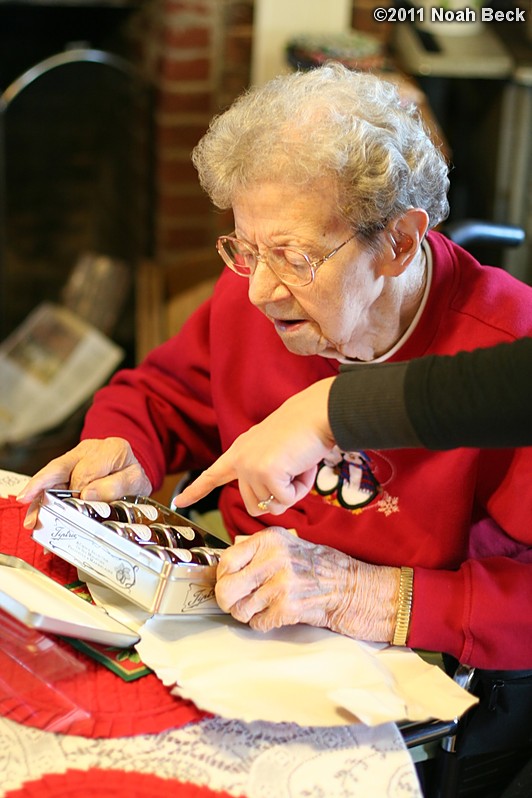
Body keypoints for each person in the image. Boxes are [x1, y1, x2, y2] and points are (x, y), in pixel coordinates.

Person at [17, 64, 532, 669]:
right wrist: (126, 446)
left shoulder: (506, 355)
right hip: (239, 627)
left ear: (397, 243)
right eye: (245, 248)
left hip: (401, 671)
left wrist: (358, 594)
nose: (259, 289)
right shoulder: (260, 296)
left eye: (292, 256)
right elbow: (163, 394)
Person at [173, 337, 532, 517]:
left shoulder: (505, 326)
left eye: (299, 259)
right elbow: (168, 392)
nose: (258, 290)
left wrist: (334, 407)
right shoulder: (243, 298)